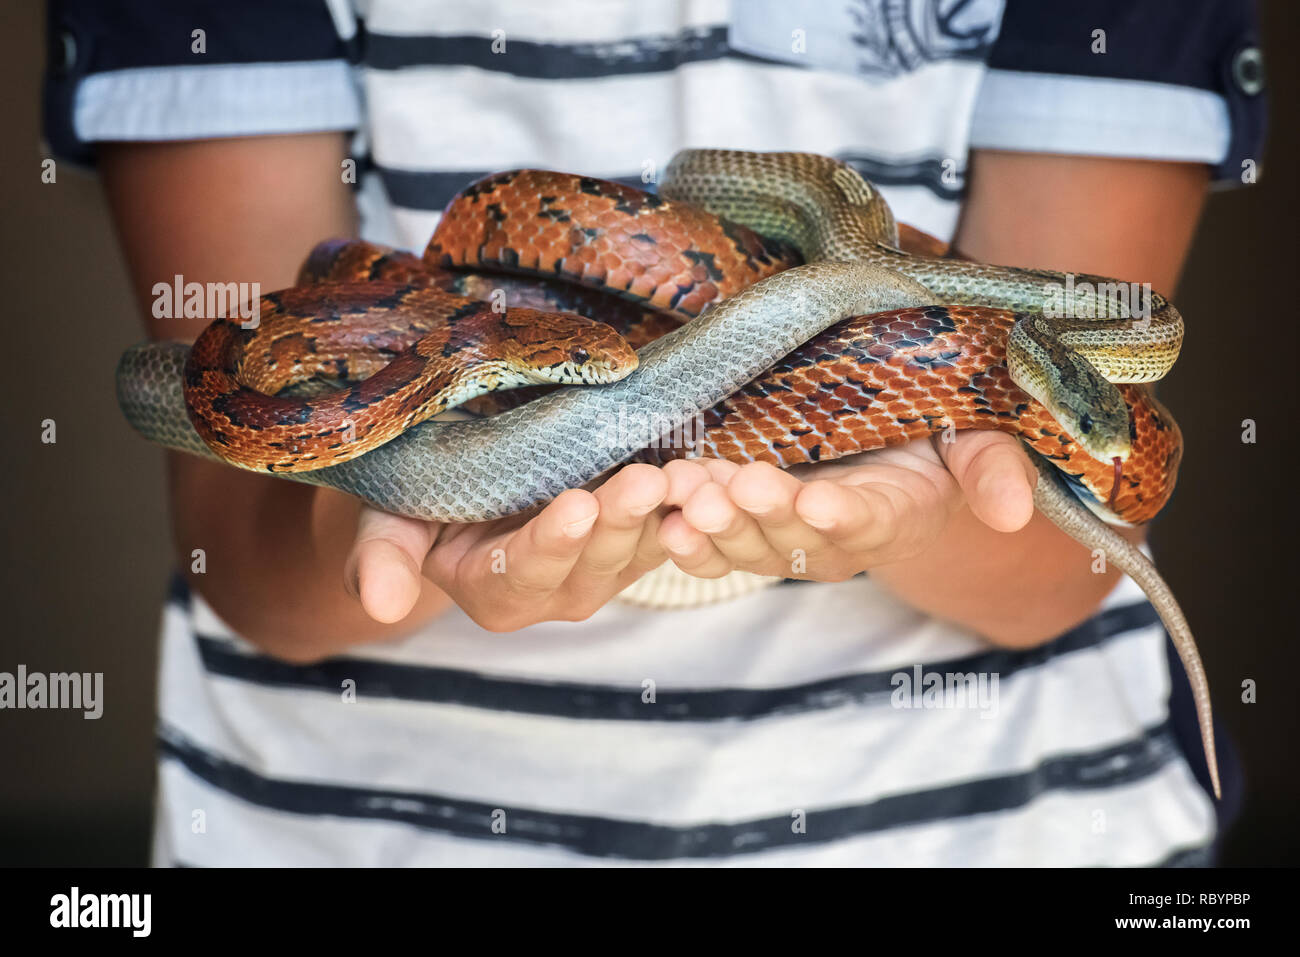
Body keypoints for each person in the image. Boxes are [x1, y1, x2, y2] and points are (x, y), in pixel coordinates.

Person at [45, 0, 1264, 865]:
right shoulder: (436, 336)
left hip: (1007, 829)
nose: (606, 363)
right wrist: (408, 501)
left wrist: (912, 507)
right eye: (581, 360)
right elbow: (241, 532)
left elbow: (1085, 525)